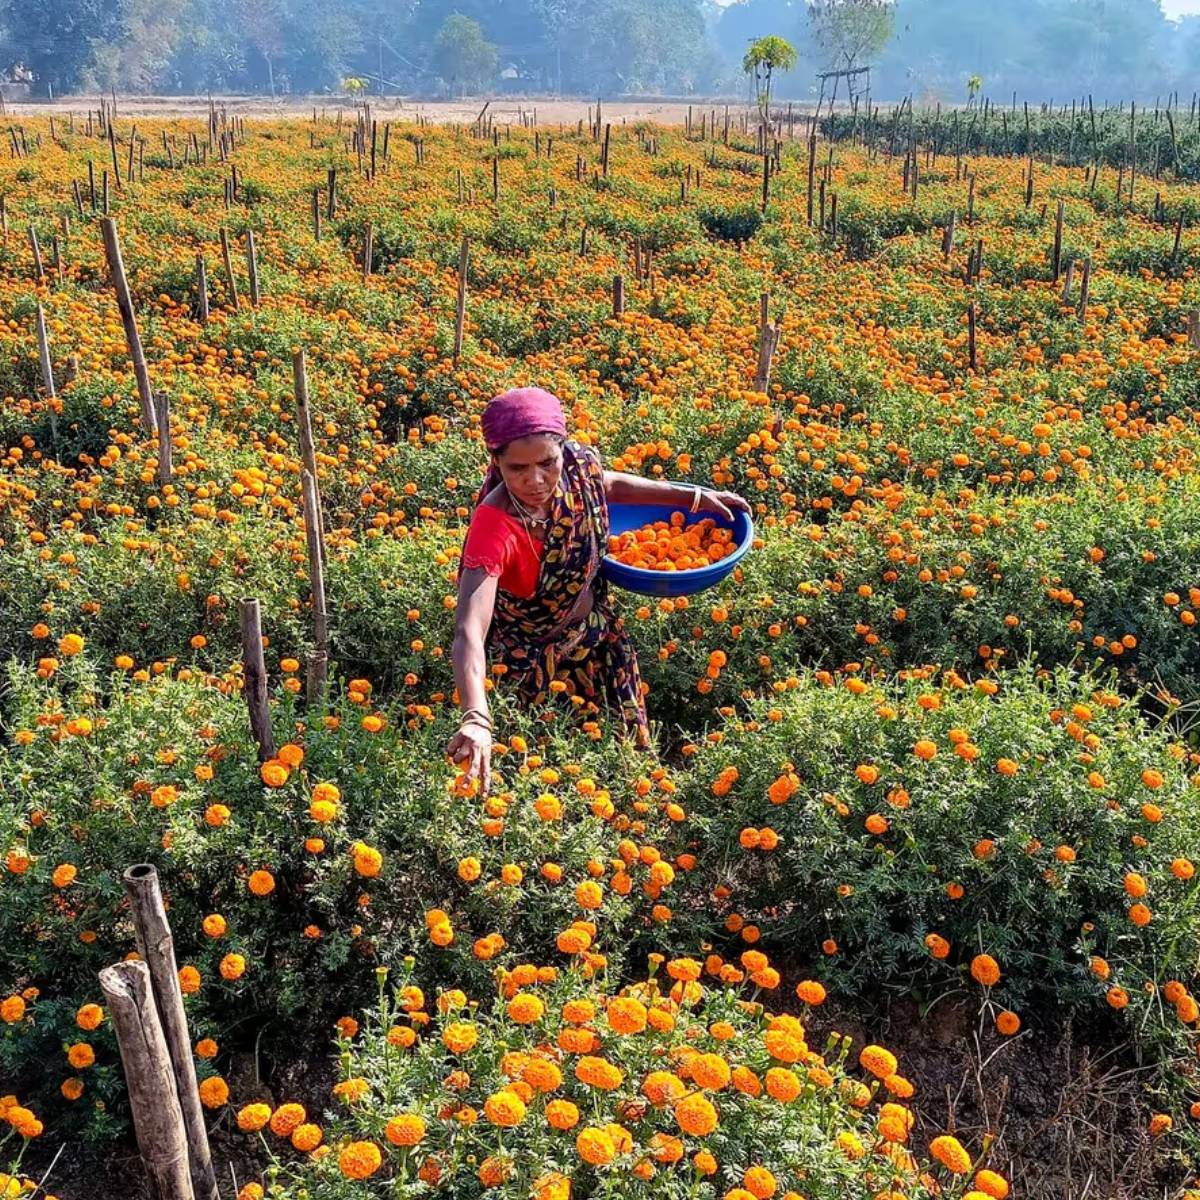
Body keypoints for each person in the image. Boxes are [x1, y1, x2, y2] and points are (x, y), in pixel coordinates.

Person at [448, 386, 750, 793]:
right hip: (532, 662)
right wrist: (476, 716)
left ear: (562, 450)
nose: (536, 480)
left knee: (625, 763)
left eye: (546, 463)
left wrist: (696, 497)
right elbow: (470, 626)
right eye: (518, 469)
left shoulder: (577, 464)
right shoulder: (495, 525)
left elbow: (607, 484)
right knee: (551, 772)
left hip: (598, 637)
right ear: (496, 462)